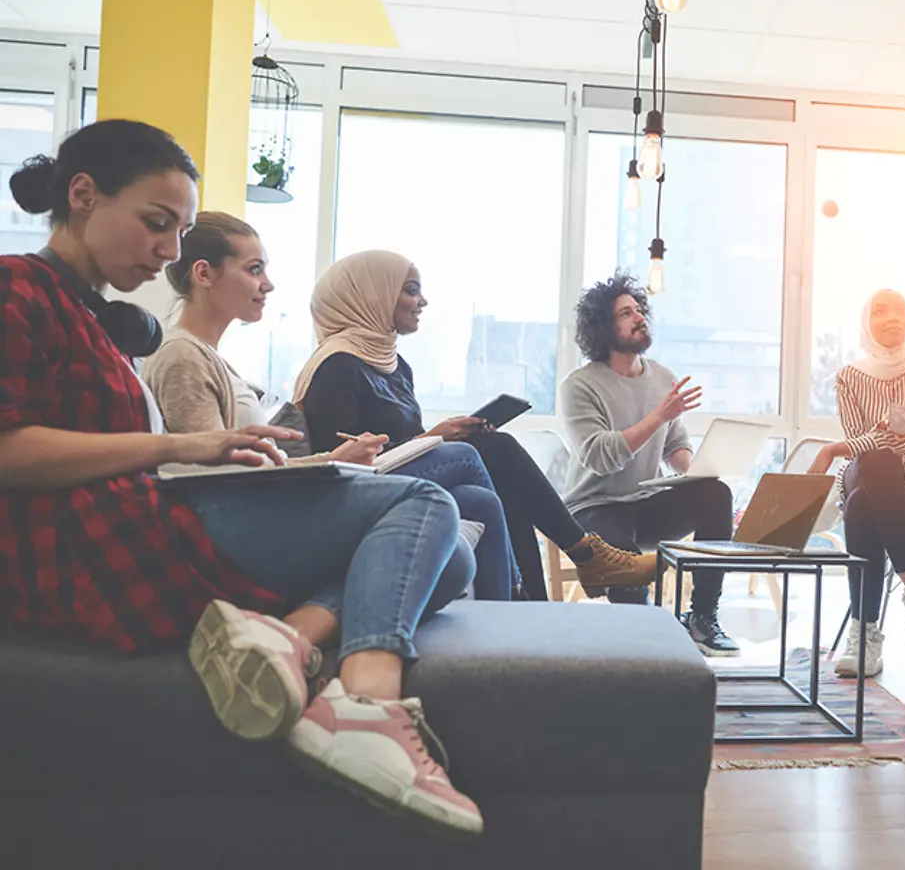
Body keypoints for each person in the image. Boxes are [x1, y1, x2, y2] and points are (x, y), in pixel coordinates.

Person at [0, 119, 482, 835]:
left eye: (181, 230)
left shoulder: (96, 315)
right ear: (82, 195)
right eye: (157, 225)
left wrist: (214, 452)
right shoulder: (19, 287)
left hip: (149, 513)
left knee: (450, 557)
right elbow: (9, 450)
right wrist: (187, 446)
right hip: (105, 542)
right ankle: (365, 706)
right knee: (427, 501)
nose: (168, 250)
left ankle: (286, 636)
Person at [143, 214, 491, 598]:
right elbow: (217, 482)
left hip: (269, 500)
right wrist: (329, 463)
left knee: (475, 505)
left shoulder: (211, 359)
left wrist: (335, 459)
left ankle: (513, 617)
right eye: (254, 269)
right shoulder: (182, 356)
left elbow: (246, 470)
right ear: (205, 274)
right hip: (254, 521)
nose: (268, 284)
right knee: (460, 468)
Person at [293, 250, 654, 601]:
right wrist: (437, 437)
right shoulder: (337, 366)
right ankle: (586, 556)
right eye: (411, 290)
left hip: (403, 477)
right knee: (492, 450)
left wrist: (441, 435)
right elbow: (338, 465)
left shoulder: (395, 366)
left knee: (492, 493)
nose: (423, 301)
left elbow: (403, 442)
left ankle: (529, 611)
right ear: (372, 296)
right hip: (363, 492)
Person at [558, 272, 739, 656]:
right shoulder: (579, 386)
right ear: (604, 327)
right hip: (594, 508)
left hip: (645, 504)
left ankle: (702, 618)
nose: (639, 317)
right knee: (623, 555)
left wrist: (695, 473)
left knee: (715, 494)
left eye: (639, 309)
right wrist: (658, 416)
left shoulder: (662, 377)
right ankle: (647, 641)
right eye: (626, 313)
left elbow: (675, 444)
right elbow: (599, 455)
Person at [810, 289, 905, 678]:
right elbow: (874, 445)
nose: (892, 317)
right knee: (875, 473)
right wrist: (867, 440)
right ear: (867, 322)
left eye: (901, 309)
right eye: (880, 311)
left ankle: (864, 634)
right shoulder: (849, 378)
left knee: (866, 497)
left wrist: (835, 449)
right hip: (876, 476)